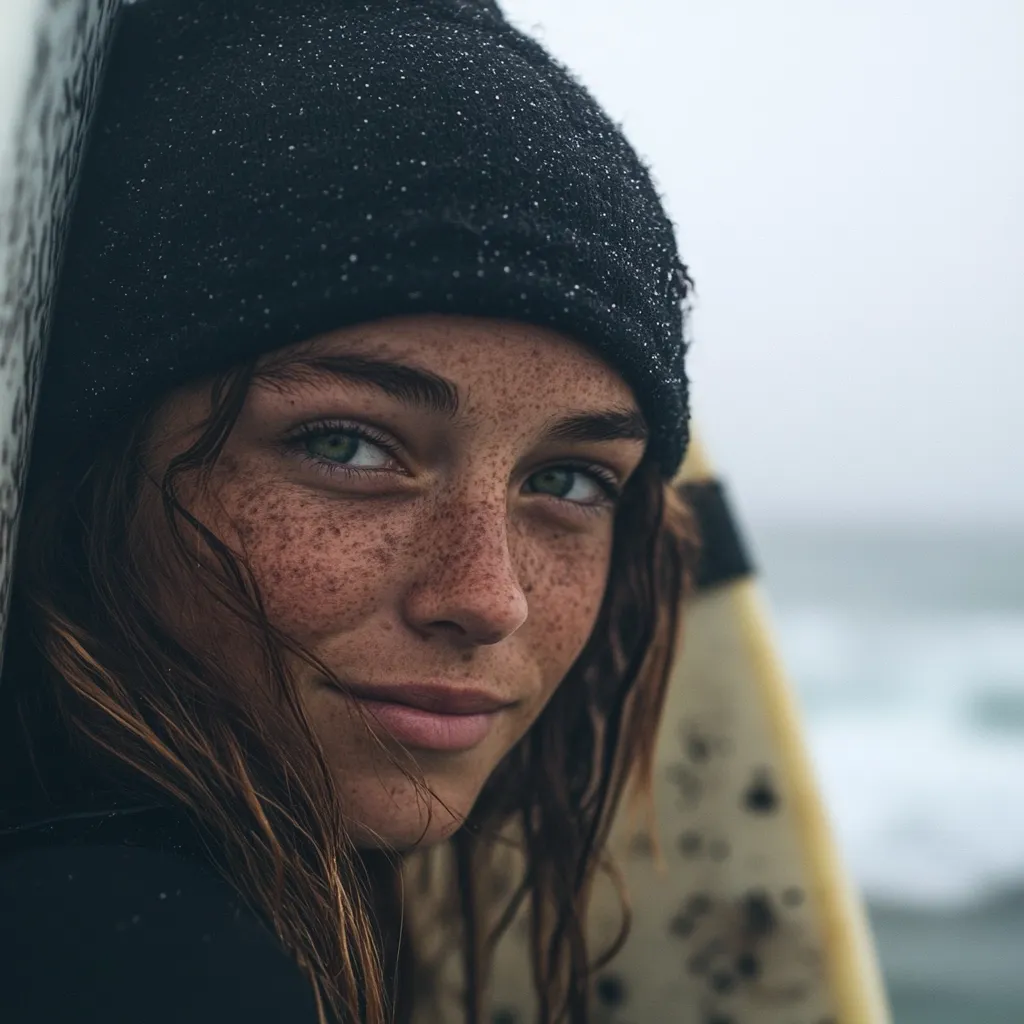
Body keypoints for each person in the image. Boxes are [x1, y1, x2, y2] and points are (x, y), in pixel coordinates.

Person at [0, 1, 695, 1022]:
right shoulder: (131, 954)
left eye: (568, 481)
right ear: (98, 459)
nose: (486, 596)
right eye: (346, 445)